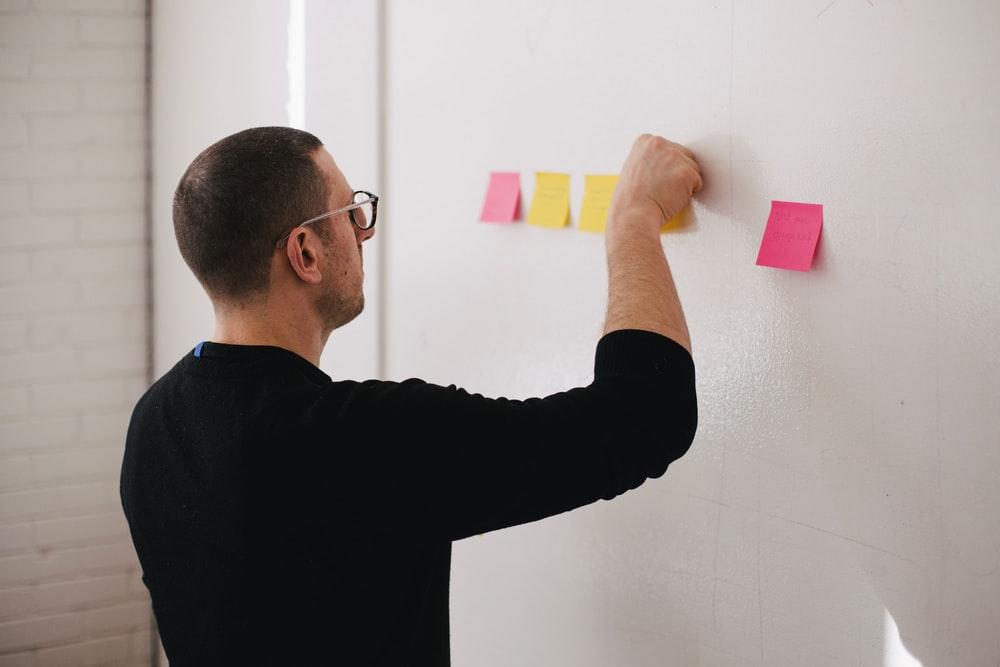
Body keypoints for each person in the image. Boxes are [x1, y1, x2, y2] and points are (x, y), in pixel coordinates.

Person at [119, 126, 703, 665]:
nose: (364, 231)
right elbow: (644, 416)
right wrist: (633, 217)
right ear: (306, 253)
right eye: (352, 214)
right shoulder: (359, 441)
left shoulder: (155, 422)